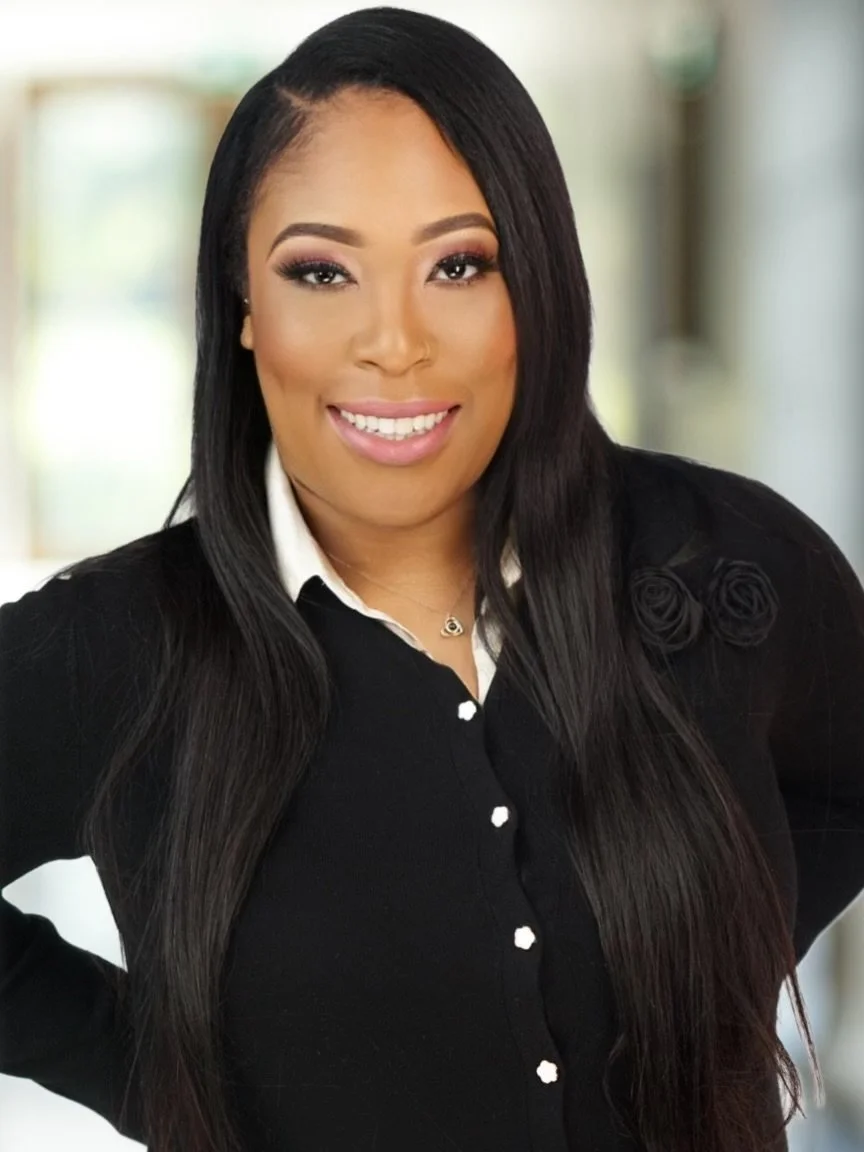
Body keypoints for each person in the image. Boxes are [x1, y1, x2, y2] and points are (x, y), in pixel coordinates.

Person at [2, 7, 863, 1152]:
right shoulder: (115, 643)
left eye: (459, 263)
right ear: (244, 308)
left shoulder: (729, 556)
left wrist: (706, 961)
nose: (395, 342)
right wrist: (158, 1074)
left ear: (536, 288)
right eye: (321, 271)